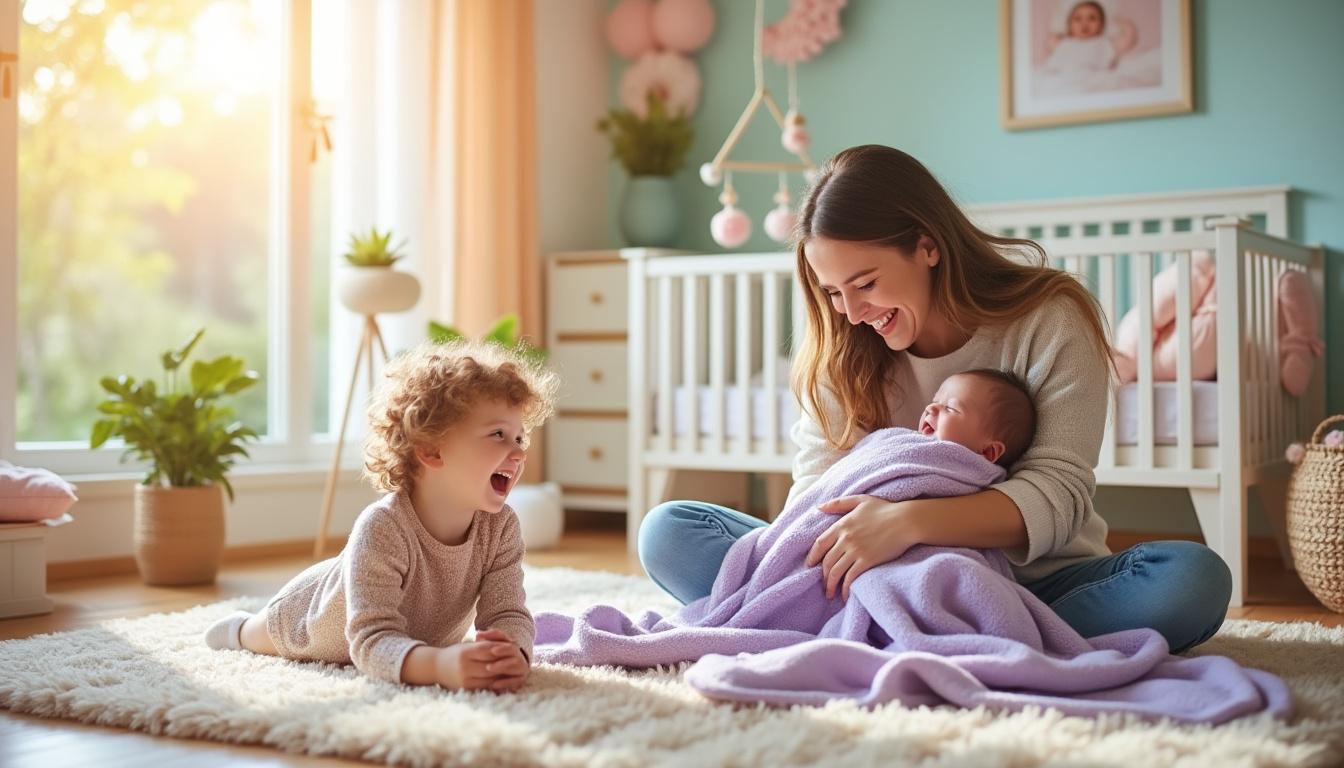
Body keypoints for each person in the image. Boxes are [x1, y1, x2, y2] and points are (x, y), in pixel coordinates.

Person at [639, 144, 1232, 654]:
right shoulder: (842, 346)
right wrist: (864, 552)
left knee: (1192, 580)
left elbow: (1058, 491)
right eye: (834, 292)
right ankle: (949, 633)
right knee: (668, 530)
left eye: (866, 283)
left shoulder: (1048, 318)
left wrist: (907, 522)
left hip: (1035, 583)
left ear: (927, 245)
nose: (851, 311)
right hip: (868, 576)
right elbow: (816, 493)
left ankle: (928, 629)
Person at [205, 340, 560, 691]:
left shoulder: (501, 526)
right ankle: (238, 627)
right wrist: (438, 665)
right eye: (498, 434)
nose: (517, 453)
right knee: (255, 635)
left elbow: (507, 612)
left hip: (412, 630)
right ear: (431, 450)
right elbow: (371, 641)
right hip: (308, 616)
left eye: (520, 438)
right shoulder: (383, 526)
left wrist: (514, 652)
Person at [915, 368, 1036, 469]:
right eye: (935, 401)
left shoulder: (961, 482)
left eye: (950, 408)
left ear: (988, 452)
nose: (931, 408)